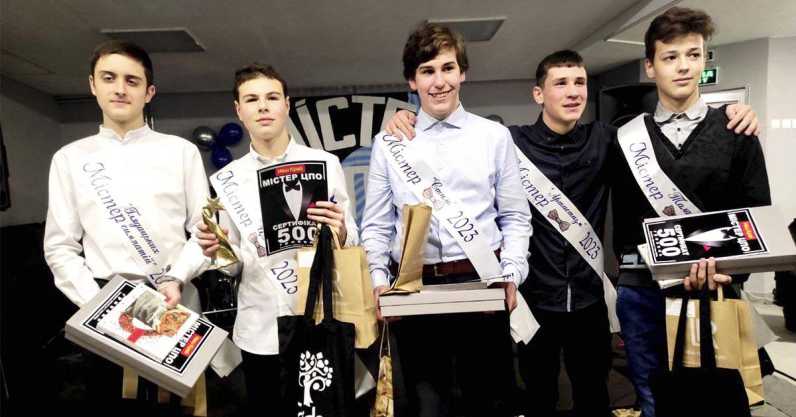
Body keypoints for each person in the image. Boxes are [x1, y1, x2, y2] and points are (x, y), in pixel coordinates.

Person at [384, 47, 759, 416]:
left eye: (580, 82)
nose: (573, 92)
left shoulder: (608, 140)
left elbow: (671, 156)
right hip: (535, 301)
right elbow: (455, 139)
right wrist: (407, 116)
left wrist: (726, 114)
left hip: (589, 301)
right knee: (538, 399)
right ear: (539, 94)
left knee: (594, 397)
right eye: (561, 83)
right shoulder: (510, 142)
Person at [361, 23, 532, 417]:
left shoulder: (494, 137)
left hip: (482, 283)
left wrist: (511, 273)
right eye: (427, 71)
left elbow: (515, 217)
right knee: (427, 406)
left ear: (462, 72)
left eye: (447, 68)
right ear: (412, 80)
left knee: (487, 404)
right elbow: (376, 225)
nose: (439, 82)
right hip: (413, 289)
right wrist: (379, 281)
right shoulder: (389, 144)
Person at [611, 7, 771, 416]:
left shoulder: (736, 132)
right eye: (670, 57)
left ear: (704, 59)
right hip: (643, 290)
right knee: (653, 400)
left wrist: (730, 270)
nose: (683, 66)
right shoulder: (625, 138)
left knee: (719, 401)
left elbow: (755, 216)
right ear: (651, 66)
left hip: (716, 286)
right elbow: (622, 220)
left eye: (693, 54)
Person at [44, 40, 210, 411]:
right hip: (102, 308)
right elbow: (59, 246)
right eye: (109, 78)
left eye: (132, 81)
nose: (120, 88)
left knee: (174, 408)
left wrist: (178, 277)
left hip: (172, 302)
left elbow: (204, 233)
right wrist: (99, 304)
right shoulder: (69, 159)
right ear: (93, 85)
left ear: (149, 92)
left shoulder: (181, 152)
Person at [195, 63, 358, 416]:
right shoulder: (228, 180)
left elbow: (352, 239)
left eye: (271, 97)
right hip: (260, 327)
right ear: (239, 110)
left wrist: (341, 229)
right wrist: (219, 252)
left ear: (286, 104)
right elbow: (234, 267)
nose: (263, 107)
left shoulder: (325, 163)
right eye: (252, 99)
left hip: (319, 318)